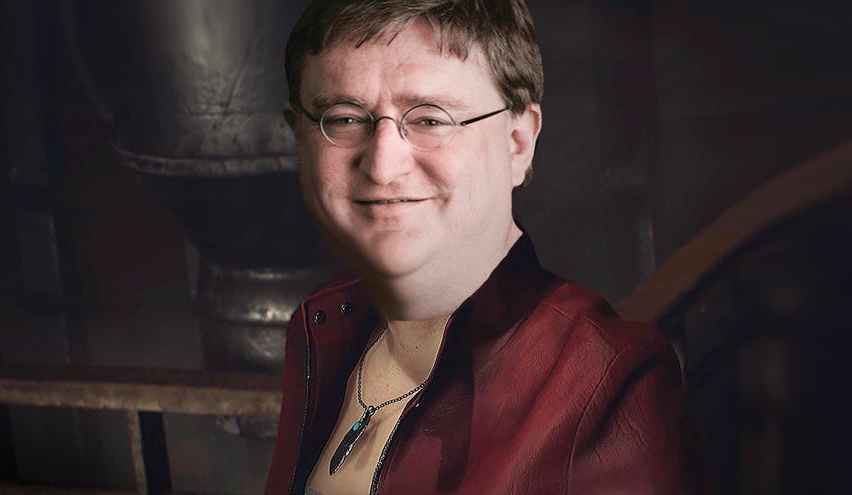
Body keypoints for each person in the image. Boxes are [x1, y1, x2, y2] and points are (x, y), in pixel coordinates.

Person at [265, 1, 707, 494]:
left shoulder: (611, 383)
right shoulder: (323, 328)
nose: (383, 166)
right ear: (299, 135)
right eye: (345, 118)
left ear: (519, 141)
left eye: (431, 120)